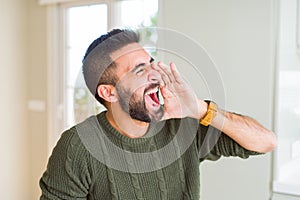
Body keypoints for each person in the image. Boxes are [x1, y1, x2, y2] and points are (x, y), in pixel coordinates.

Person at [39, 29, 277, 200]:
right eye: (140, 70)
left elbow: (265, 142)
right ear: (109, 93)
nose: (155, 74)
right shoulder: (78, 145)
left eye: (151, 63)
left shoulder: (181, 126)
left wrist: (199, 109)